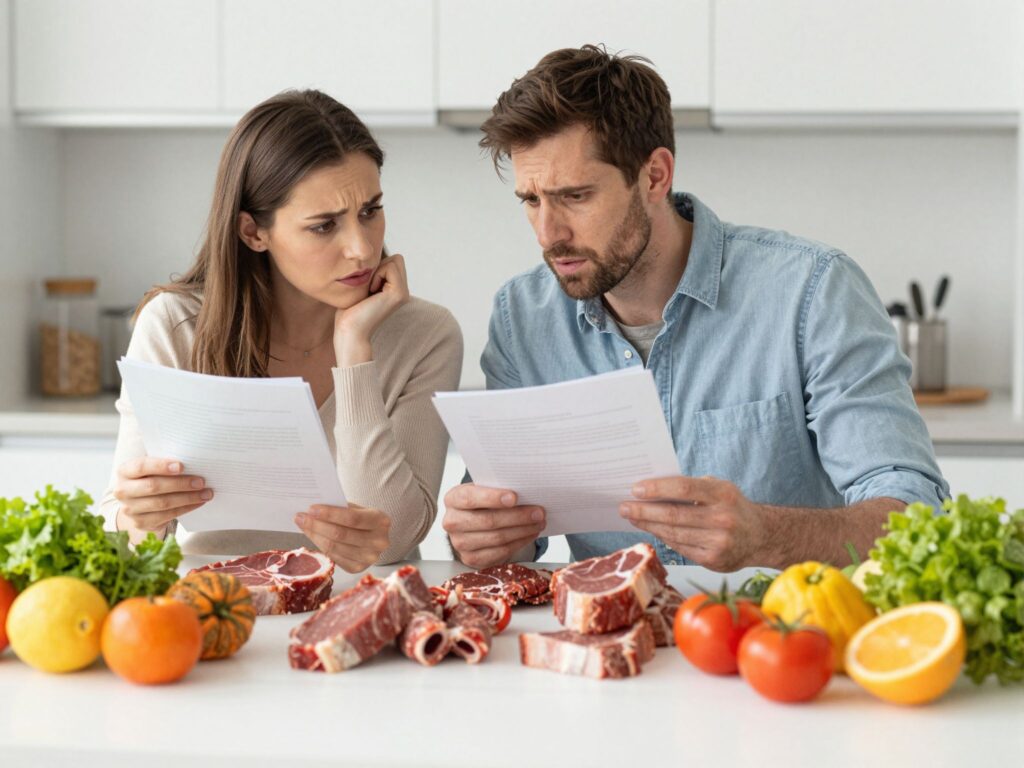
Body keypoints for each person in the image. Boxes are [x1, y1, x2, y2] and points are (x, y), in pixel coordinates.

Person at [443, 45, 948, 572]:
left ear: (655, 176)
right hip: (609, 622)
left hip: (781, 618)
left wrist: (766, 535)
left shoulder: (812, 291)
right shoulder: (521, 318)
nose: (548, 234)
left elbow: (916, 517)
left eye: (575, 196)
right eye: (531, 200)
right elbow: (505, 538)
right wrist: (483, 536)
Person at [100, 90, 462, 573]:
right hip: (217, 596)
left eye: (370, 211)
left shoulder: (426, 335)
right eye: (324, 226)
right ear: (253, 232)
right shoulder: (173, 325)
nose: (361, 248)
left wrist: (355, 352)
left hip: (362, 603)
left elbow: (391, 543)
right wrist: (139, 515)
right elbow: (123, 538)